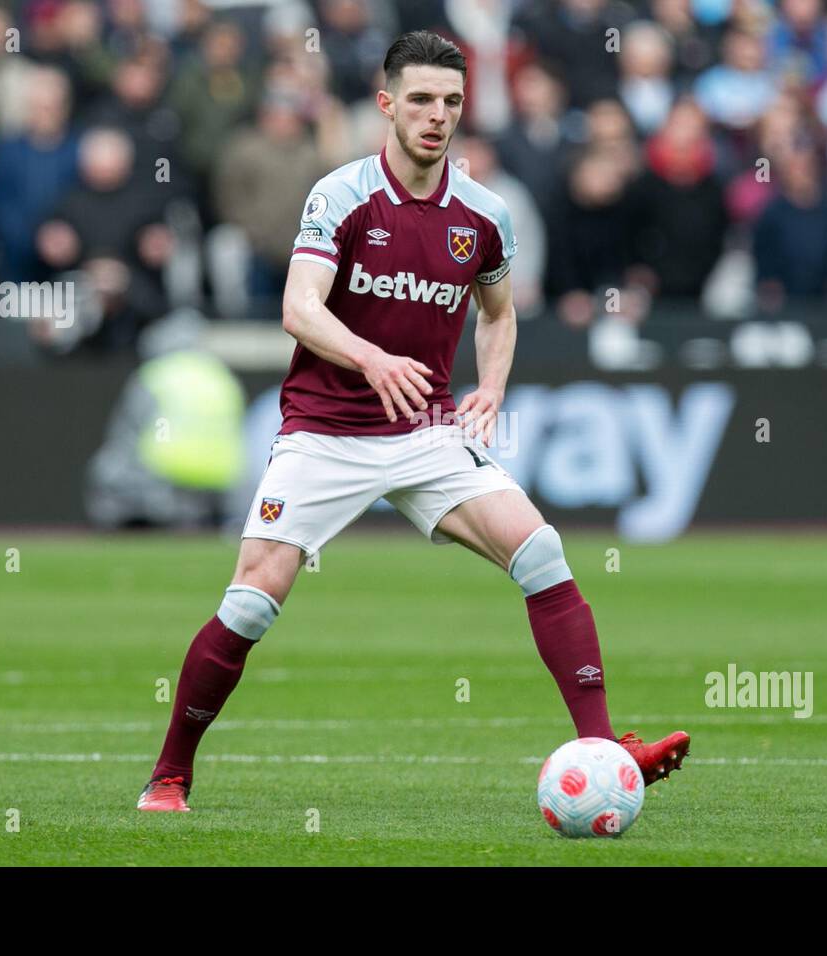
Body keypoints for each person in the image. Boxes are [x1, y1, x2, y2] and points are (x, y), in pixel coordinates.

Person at [137, 30, 689, 812]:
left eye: (453, 102)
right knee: (253, 600)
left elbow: (498, 314)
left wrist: (492, 387)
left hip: (427, 432)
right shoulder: (342, 194)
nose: (438, 116)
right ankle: (171, 772)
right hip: (326, 429)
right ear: (387, 104)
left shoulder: (483, 214)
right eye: (422, 100)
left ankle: (604, 748)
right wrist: (371, 358)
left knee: (541, 552)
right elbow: (299, 308)